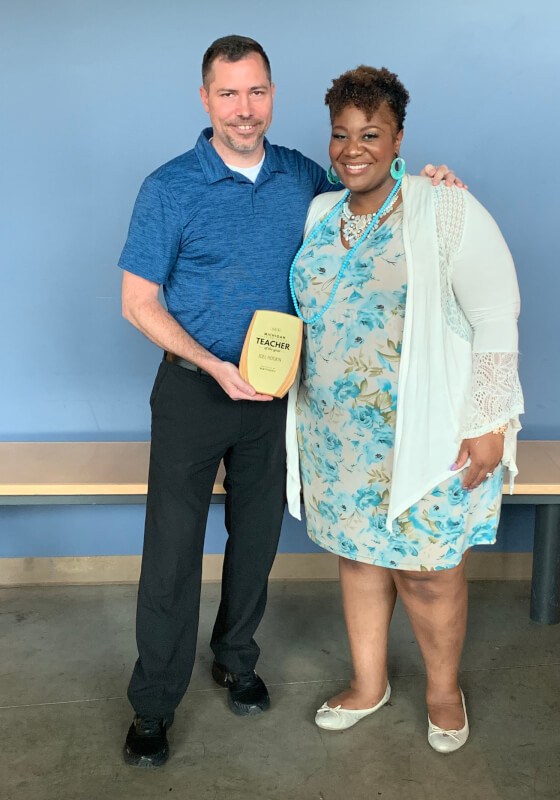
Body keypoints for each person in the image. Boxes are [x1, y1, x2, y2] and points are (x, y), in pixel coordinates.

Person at [119, 36, 461, 767]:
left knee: (257, 543)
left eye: (258, 92)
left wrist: (430, 181)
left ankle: (237, 659)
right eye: (229, 93)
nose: (245, 109)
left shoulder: (303, 177)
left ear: (273, 94)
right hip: (192, 392)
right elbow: (137, 302)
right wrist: (211, 365)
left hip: (275, 397)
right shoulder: (169, 187)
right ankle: (153, 704)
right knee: (171, 558)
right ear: (205, 99)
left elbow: (377, 201)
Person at [286, 65, 524, 753]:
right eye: (340, 134)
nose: (352, 148)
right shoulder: (318, 212)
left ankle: (444, 691)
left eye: (370, 133)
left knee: (426, 573)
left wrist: (487, 419)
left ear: (398, 139)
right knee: (359, 562)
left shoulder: (444, 206)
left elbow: (496, 317)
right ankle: (369, 683)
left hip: (427, 432)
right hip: (336, 433)